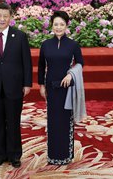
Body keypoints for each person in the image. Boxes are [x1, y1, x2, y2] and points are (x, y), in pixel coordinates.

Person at [0, 3, 32, 168]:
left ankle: (15, 155)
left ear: (10, 18)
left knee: (14, 122)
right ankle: (0, 155)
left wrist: (27, 83)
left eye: (5, 16)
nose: (2, 19)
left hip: (15, 86)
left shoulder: (20, 36)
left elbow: (27, 62)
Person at [38, 11, 85, 165]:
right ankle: (53, 155)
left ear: (66, 26)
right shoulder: (45, 44)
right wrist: (41, 85)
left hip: (67, 88)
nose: (58, 27)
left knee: (65, 121)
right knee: (53, 121)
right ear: (52, 26)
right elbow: (40, 67)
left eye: (61, 24)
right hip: (51, 87)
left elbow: (80, 63)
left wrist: (71, 74)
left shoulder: (73, 44)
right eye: (56, 24)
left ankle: (65, 155)